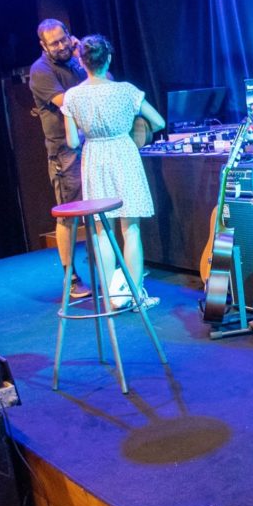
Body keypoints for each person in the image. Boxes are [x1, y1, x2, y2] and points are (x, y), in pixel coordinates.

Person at [62, 35, 165, 309]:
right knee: (130, 229)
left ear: (82, 62)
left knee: (100, 229)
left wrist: (91, 133)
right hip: (124, 152)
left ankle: (110, 298)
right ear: (108, 59)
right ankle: (136, 295)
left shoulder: (72, 97)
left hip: (94, 157)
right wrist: (139, 130)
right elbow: (159, 120)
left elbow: (72, 142)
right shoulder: (126, 90)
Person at [29, 19, 92, 299]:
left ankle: (108, 267)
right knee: (69, 216)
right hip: (65, 153)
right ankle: (72, 277)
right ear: (44, 45)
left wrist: (83, 58)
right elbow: (69, 103)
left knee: (99, 209)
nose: (62, 46)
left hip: (90, 144)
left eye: (64, 39)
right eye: (54, 43)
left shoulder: (76, 61)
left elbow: (104, 81)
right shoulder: (41, 71)